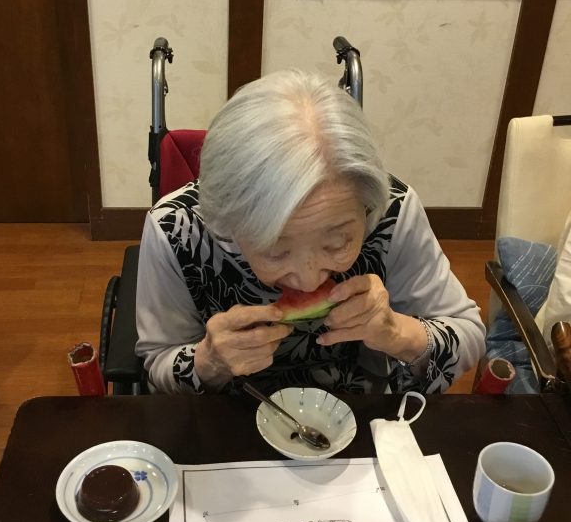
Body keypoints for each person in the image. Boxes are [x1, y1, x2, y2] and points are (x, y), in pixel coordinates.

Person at [135, 69, 485, 395]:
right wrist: (208, 361)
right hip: (227, 415)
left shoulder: (390, 211)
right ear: (226, 223)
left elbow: (468, 334)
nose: (308, 281)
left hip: (357, 411)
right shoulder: (178, 228)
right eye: (274, 251)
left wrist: (397, 332)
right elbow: (158, 361)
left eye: (337, 243)